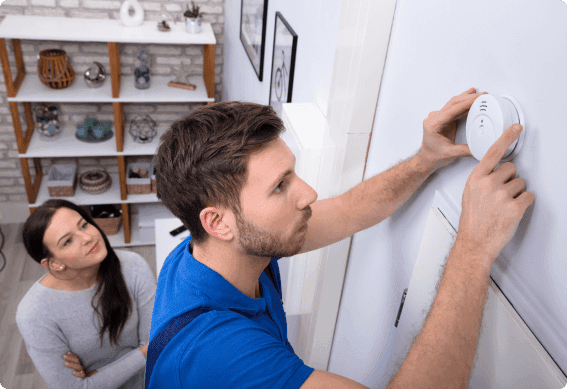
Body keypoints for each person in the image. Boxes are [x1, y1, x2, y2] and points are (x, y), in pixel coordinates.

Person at [148, 88, 534, 388]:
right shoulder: (219, 354)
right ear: (217, 222)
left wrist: (425, 159)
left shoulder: (222, 252)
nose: (308, 193)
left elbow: (350, 208)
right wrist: (474, 248)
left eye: (292, 173)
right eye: (280, 187)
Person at [16, 199, 156, 389]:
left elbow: (155, 345)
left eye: (83, 225)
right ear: (54, 264)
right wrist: (143, 354)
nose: (87, 237)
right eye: (67, 241)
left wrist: (97, 377)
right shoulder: (33, 314)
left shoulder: (133, 265)